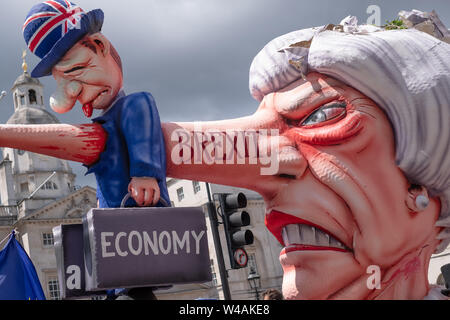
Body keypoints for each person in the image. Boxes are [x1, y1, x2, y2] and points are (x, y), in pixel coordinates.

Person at [22, 0, 171, 299]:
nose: (77, 95)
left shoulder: (133, 104)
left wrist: (145, 173)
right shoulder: (104, 121)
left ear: (99, 46)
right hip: (116, 232)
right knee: (122, 288)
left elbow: (143, 125)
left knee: (135, 289)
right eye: (67, 85)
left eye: (78, 71)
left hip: (139, 225)